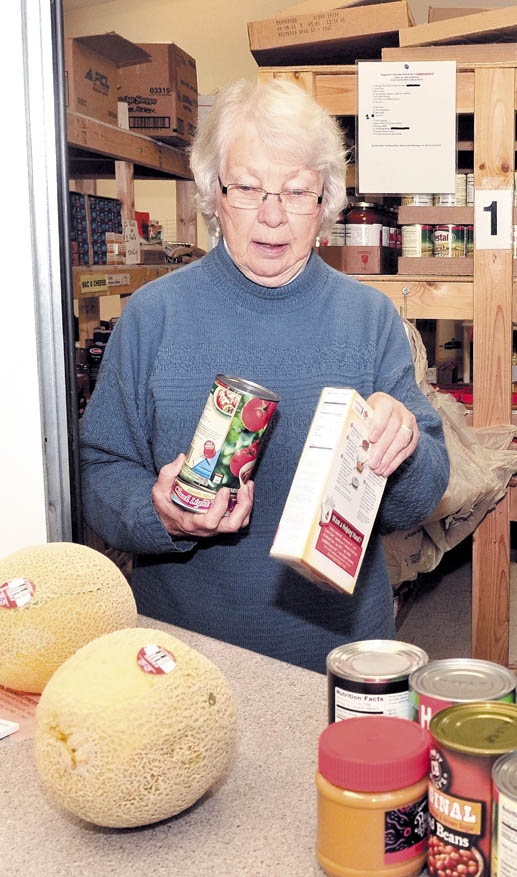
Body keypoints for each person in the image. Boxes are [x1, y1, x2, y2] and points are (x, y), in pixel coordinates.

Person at [80, 78, 450, 673]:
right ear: (213, 192)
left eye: (297, 191)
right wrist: (159, 513)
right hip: (180, 655)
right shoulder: (155, 314)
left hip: (338, 655)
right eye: (248, 188)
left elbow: (419, 498)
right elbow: (100, 470)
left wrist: (403, 446)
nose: (273, 216)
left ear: (326, 201)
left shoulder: (369, 318)